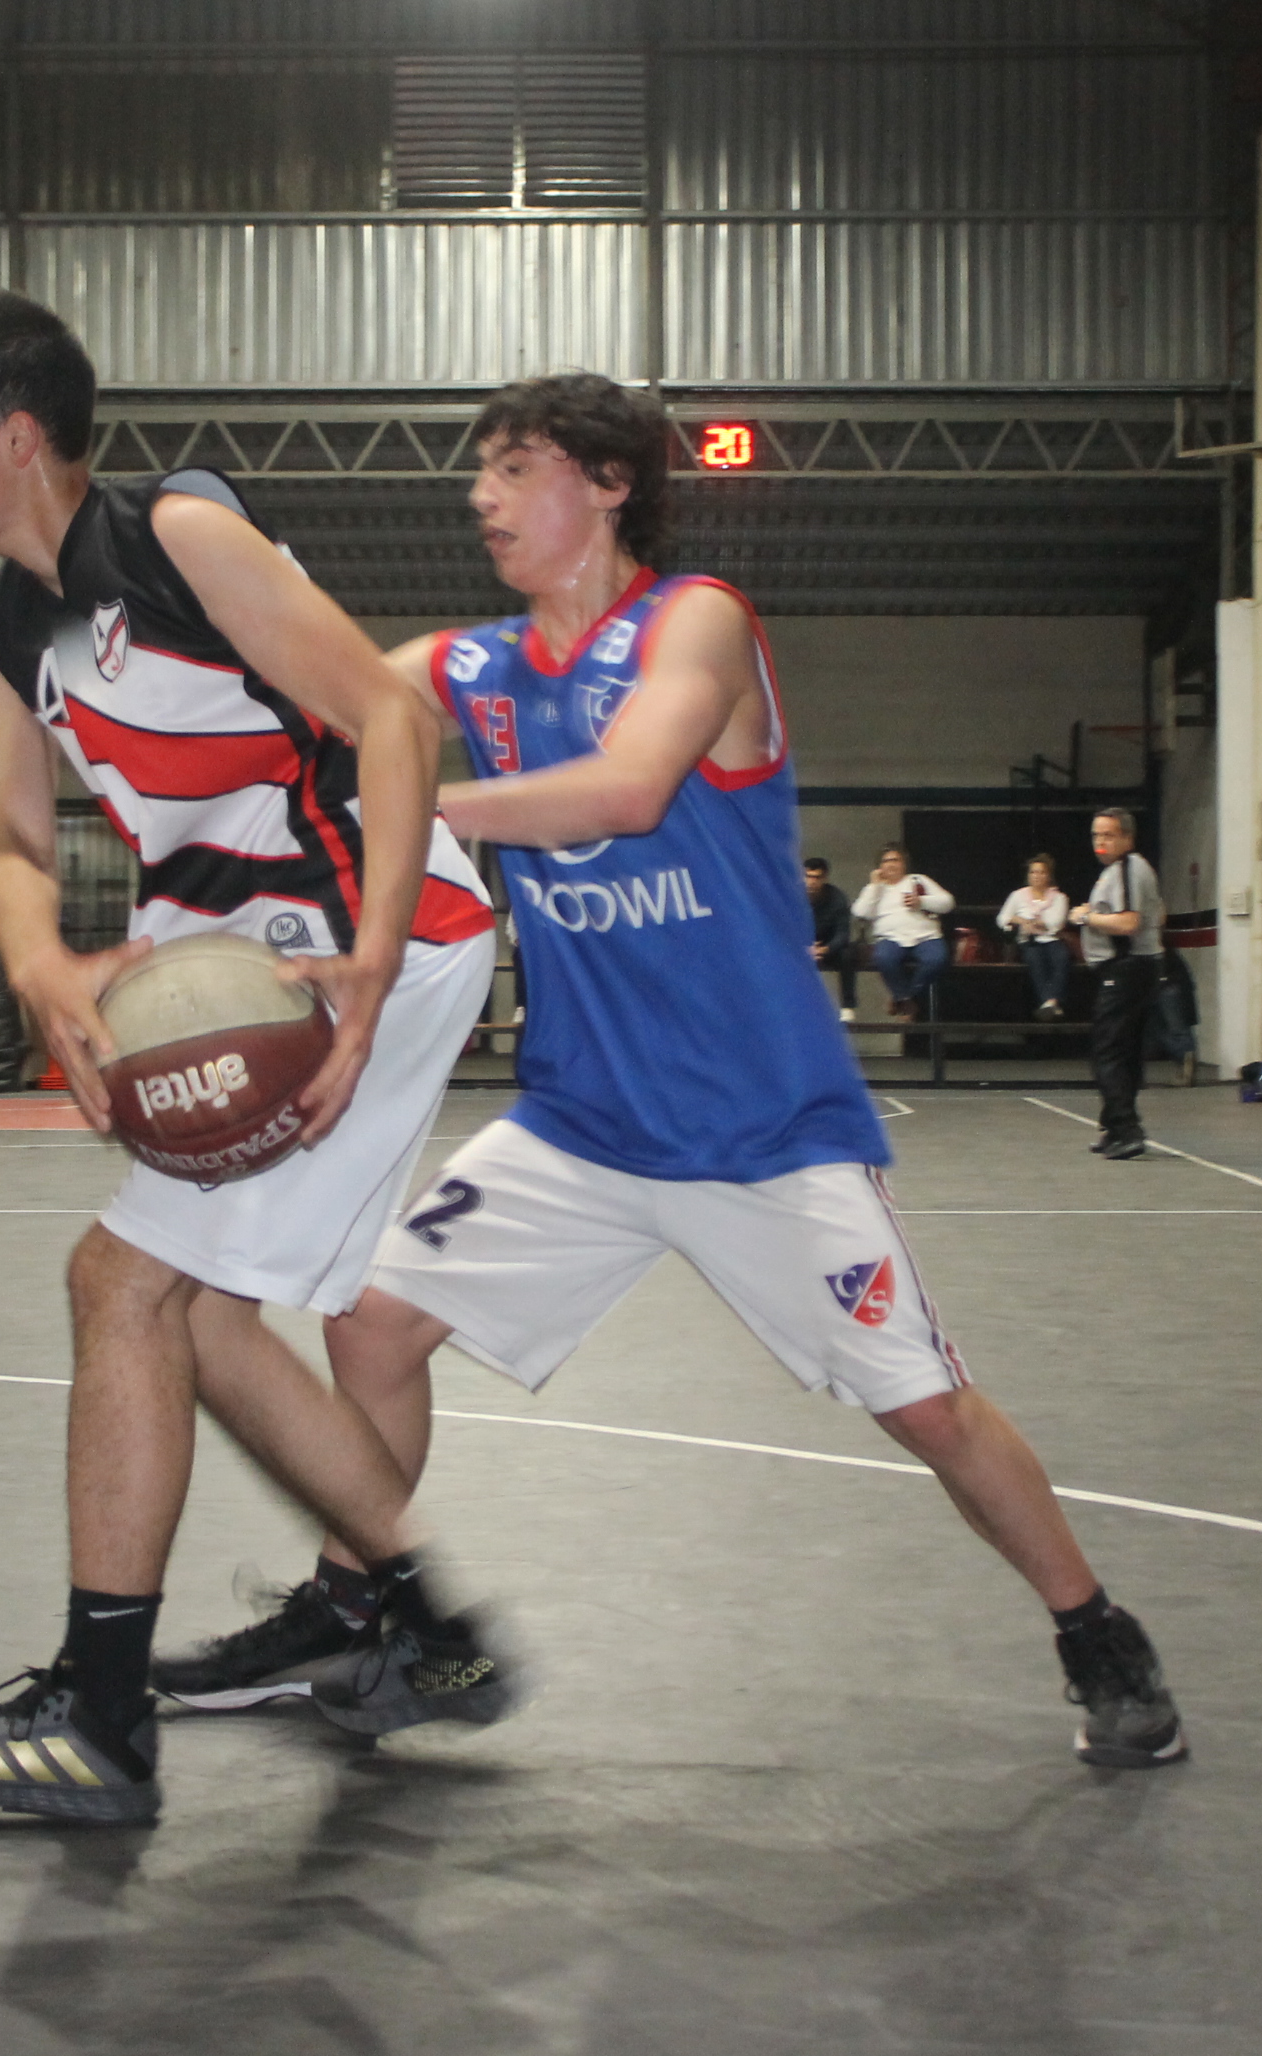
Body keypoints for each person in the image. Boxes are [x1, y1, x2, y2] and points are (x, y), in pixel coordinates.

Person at [173, 371, 1185, 1772]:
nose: (481, 495)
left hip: (763, 1127)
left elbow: (626, 789)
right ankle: (367, 1610)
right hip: (583, 1123)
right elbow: (318, 696)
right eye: (480, 471)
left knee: (928, 1408)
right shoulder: (473, 665)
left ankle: (1094, 1631)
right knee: (373, 1324)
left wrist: (410, 799)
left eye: (514, 467)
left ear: (606, 483)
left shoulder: (694, 621)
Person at [0, 292, 507, 1824]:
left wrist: (366, 965)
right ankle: (424, 1627)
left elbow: (396, 725)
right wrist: (44, 974)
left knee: (122, 1281)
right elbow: (10, 834)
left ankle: (99, 1720)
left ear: (14, 438)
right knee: (189, 1317)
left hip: (362, 943)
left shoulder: (181, 534)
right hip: (226, 958)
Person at [1074, 808, 1165, 1158]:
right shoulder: (1120, 872)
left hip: (1127, 969)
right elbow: (1158, 912)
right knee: (1123, 1051)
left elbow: (1130, 923)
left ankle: (1127, 1129)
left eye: (1108, 835)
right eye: (1096, 835)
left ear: (1127, 837)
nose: (1100, 842)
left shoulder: (1129, 868)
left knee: (1109, 1051)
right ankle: (1114, 1125)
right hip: (1133, 969)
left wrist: (1087, 917)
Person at [853, 845, 954, 1019]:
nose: (891, 865)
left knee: (937, 959)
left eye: (896, 860)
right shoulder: (874, 888)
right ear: (880, 866)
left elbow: (948, 902)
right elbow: (860, 912)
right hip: (890, 938)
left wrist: (921, 901)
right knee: (883, 958)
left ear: (904, 864)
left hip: (926, 937)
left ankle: (901, 996)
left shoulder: (918, 880)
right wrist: (875, 887)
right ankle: (905, 999)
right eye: (886, 861)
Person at [999, 854, 1071, 1019]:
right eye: (1033, 872)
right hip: (1028, 940)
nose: (1037, 876)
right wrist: (1019, 920)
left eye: (1041, 872)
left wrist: (1039, 923)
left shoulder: (1059, 898)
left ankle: (1049, 1003)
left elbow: (1057, 922)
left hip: (1051, 939)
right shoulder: (1017, 896)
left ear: (1049, 875)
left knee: (1061, 957)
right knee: (1034, 959)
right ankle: (1051, 1002)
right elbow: (1002, 918)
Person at [803, 854, 858, 1018]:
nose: (812, 882)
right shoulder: (792, 897)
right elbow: (783, 929)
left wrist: (825, 949)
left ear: (825, 878)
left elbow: (843, 933)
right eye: (808, 876)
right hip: (801, 946)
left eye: (817, 877)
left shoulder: (837, 898)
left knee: (848, 954)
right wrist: (803, 948)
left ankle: (847, 1006)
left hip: (828, 947)